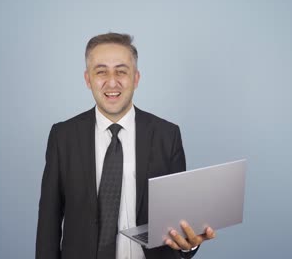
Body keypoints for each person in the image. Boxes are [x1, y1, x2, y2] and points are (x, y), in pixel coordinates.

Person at [36, 32, 215, 259]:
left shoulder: (167, 135)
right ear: (88, 79)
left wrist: (188, 245)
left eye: (122, 71)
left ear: (136, 78)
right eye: (101, 72)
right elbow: (48, 224)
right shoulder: (63, 137)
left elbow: (180, 223)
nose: (112, 82)